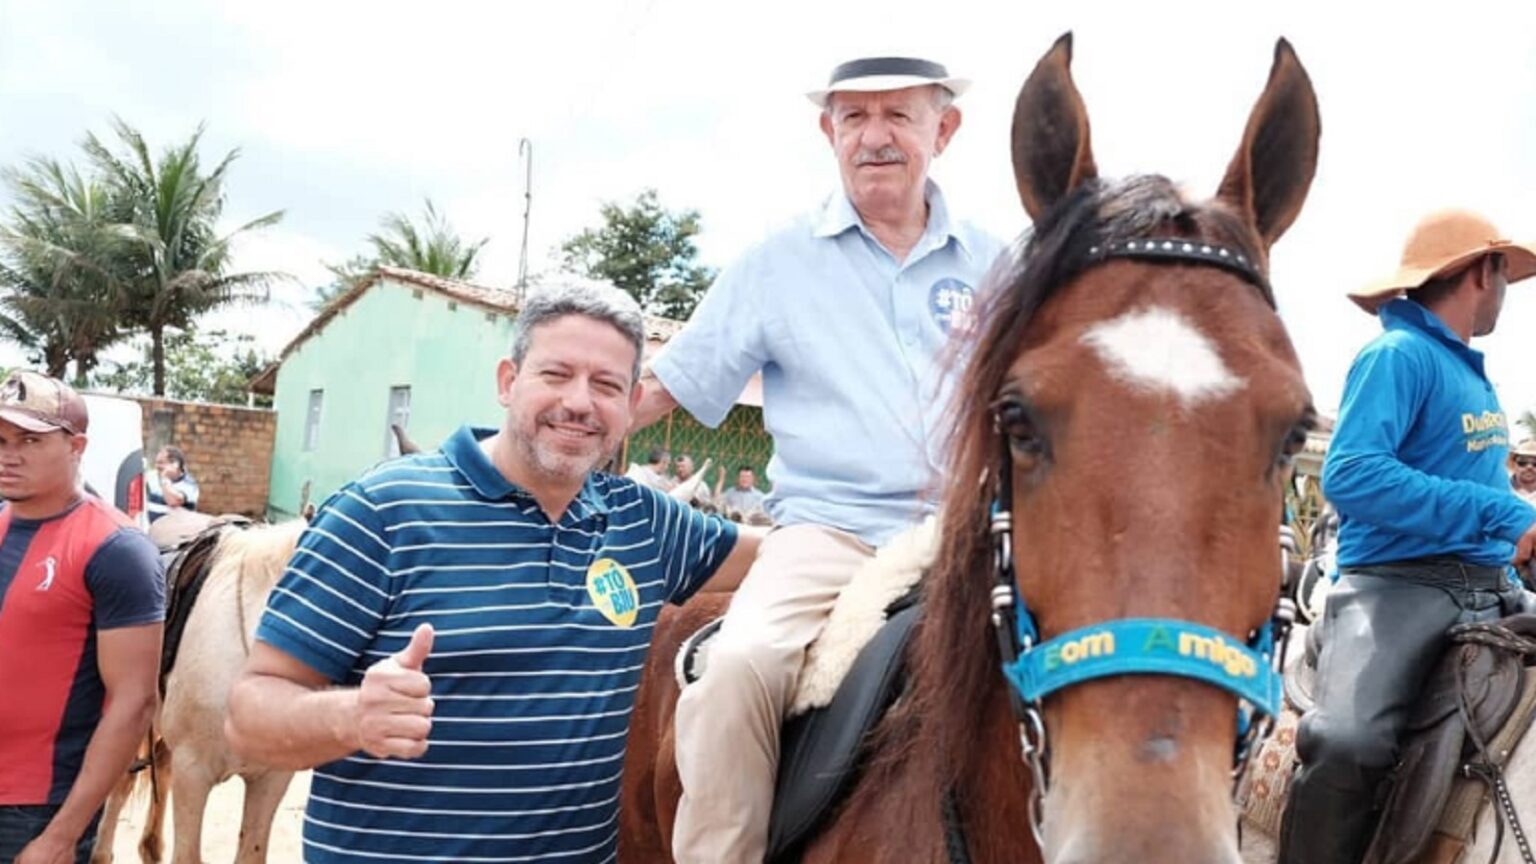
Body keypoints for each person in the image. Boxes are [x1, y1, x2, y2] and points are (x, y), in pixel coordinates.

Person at [225, 282, 762, 863]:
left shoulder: (645, 524)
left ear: (632, 405)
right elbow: (248, 716)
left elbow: (795, 554)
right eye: (556, 375)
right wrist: (353, 716)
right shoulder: (384, 511)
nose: (580, 403)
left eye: (606, 385)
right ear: (508, 381)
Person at [630, 55, 1007, 863]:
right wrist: (555, 430)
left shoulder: (996, 263)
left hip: (974, 529)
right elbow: (670, 380)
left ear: (944, 129)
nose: (875, 136)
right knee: (737, 670)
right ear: (827, 130)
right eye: (854, 116)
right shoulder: (777, 261)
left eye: (898, 115)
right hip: (832, 535)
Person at [1278, 209, 1536, 864]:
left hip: (1490, 588)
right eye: (1506, 273)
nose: (1508, 289)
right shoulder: (1398, 355)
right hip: (1397, 587)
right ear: (1483, 271)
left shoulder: (1473, 374)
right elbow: (1353, 474)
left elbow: (1479, 486)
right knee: (1348, 743)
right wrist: (1502, 514)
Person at [0, 370, 164, 864]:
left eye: (30, 439)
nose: (10, 453)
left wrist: (61, 836)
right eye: (2, 439)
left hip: (35, 807)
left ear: (77, 446)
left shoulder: (116, 551)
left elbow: (135, 702)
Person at [145, 445, 199, 523]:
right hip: (151, 529)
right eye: (156, 463)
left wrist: (164, 479)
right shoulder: (152, 476)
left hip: (175, 531)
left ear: (175, 464)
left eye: (161, 463)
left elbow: (172, 501)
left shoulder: (189, 485)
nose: (157, 466)